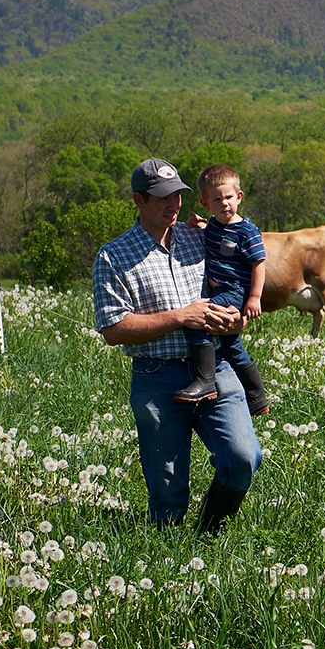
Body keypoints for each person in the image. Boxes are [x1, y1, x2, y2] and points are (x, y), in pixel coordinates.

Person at [92, 158, 263, 532]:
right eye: (162, 198)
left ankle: (208, 533)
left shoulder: (202, 236)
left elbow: (243, 273)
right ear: (138, 200)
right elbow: (113, 328)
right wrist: (180, 316)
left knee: (242, 458)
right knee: (167, 490)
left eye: (179, 196)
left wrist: (236, 318)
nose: (174, 205)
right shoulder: (113, 256)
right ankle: (169, 556)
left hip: (216, 367)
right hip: (156, 377)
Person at [173, 163, 271, 415]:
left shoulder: (247, 231)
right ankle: (257, 397)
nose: (224, 203)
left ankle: (205, 382)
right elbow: (212, 233)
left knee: (198, 320)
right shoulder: (215, 225)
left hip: (234, 290)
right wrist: (197, 225)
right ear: (206, 204)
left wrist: (254, 298)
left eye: (228, 197)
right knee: (231, 346)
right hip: (217, 291)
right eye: (217, 199)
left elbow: (259, 263)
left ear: (239, 197)